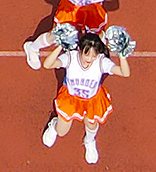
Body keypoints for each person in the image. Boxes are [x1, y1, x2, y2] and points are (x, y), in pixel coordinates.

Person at [40, 32, 130, 164]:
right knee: (61, 132)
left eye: (94, 55)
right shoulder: (71, 57)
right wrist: (60, 45)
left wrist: (122, 54)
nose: (90, 59)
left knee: (91, 124)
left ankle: (89, 141)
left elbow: (124, 72)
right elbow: (48, 64)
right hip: (71, 99)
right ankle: (54, 125)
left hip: (91, 101)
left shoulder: (101, 61)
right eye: (86, 54)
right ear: (79, 49)